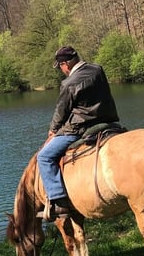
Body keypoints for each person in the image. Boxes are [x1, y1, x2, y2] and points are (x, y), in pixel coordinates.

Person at [37, 46, 120, 220]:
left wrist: (53, 130)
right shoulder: (98, 69)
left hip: (80, 127)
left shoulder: (69, 83)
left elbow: (61, 110)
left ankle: (59, 201)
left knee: (44, 157)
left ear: (65, 64)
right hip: (107, 121)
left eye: (60, 66)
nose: (61, 70)